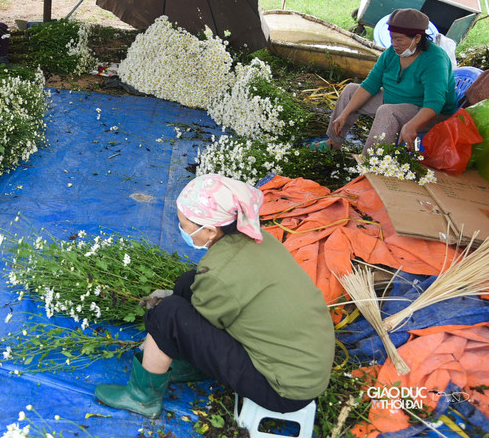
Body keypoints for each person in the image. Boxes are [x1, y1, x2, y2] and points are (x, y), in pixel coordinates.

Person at [95, 174, 334, 419]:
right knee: (190, 282)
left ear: (209, 230)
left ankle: (141, 397)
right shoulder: (256, 238)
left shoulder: (219, 272)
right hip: (305, 363)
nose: (181, 231)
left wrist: (162, 318)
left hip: (282, 389)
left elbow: (199, 319)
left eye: (184, 225)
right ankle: (189, 365)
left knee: (165, 313)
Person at [317, 8, 457, 153]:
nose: (393, 43)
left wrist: (412, 125)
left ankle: (370, 165)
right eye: (392, 37)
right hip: (394, 101)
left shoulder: (435, 60)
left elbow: (435, 103)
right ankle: (333, 143)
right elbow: (370, 85)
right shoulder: (391, 53)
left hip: (425, 112)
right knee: (351, 90)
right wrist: (344, 114)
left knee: (387, 111)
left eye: (399, 39)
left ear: (417, 38)